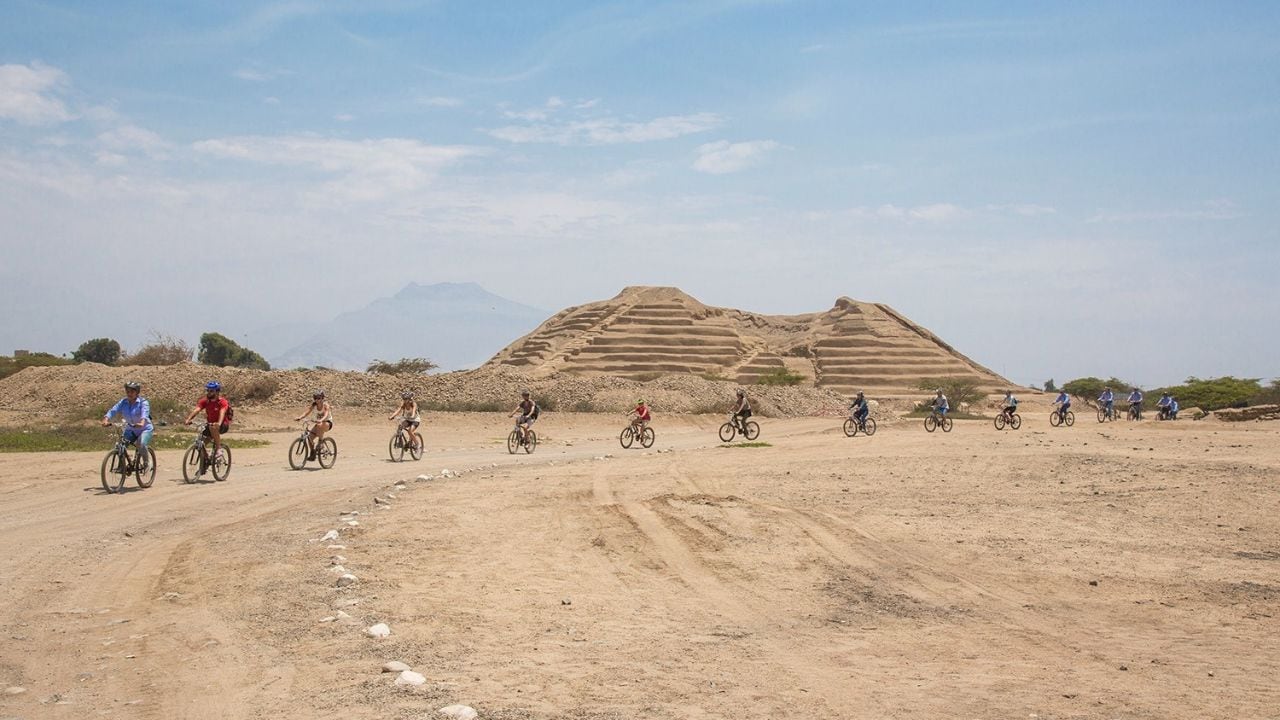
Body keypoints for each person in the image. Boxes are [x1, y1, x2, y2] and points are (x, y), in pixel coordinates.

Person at [103, 381, 153, 469]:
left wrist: (141, 422)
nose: (129, 394)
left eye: (132, 392)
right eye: (128, 392)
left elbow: (144, 413)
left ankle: (146, 462)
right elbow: (113, 410)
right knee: (120, 445)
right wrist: (106, 419)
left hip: (144, 429)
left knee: (141, 444)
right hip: (131, 429)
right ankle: (121, 466)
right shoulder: (123, 402)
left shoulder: (143, 402)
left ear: (137, 392)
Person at [184, 381, 230, 468]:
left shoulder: (222, 402)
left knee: (213, 427)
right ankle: (206, 461)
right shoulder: (205, 401)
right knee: (200, 444)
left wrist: (219, 423)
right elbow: (197, 410)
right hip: (210, 424)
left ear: (217, 392)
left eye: (211, 391)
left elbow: (222, 412)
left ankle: (218, 449)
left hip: (223, 425)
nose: (209, 393)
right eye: (208, 390)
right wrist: (189, 419)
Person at [294, 390, 333, 459]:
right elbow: (307, 412)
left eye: (319, 398)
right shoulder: (314, 405)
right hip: (318, 423)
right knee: (310, 438)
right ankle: (313, 453)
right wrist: (300, 417)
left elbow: (326, 413)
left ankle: (320, 442)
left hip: (327, 423)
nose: (317, 400)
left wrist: (321, 420)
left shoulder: (325, 405)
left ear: (322, 398)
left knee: (319, 425)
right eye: (315, 398)